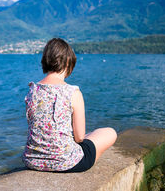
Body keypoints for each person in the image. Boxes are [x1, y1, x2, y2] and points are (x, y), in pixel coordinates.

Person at [22, 38, 117, 172]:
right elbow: (79, 137)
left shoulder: (32, 90)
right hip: (66, 162)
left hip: (32, 161)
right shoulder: (72, 92)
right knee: (110, 132)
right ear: (68, 63)